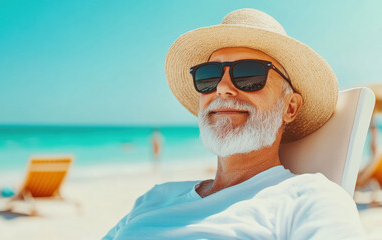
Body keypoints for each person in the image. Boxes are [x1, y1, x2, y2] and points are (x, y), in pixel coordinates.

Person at [103, 9, 366, 239]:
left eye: (249, 74)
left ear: (290, 107)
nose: (223, 88)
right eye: (209, 76)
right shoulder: (155, 198)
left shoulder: (310, 200)